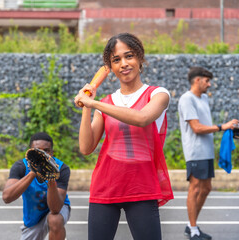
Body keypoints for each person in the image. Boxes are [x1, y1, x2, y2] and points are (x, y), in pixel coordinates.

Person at [74, 32, 173, 240]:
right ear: (110, 68)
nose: (124, 64)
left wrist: (94, 103)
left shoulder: (158, 94)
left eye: (129, 56)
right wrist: (87, 105)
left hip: (142, 186)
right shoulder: (105, 101)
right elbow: (85, 147)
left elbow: (141, 118)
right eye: (116, 60)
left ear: (140, 58)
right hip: (105, 185)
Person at [178, 67, 239, 240]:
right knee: (195, 188)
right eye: (207, 81)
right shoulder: (186, 99)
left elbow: (205, 124)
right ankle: (193, 229)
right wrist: (222, 126)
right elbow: (196, 128)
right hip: (195, 151)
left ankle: (191, 225)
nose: (209, 84)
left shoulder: (204, 98)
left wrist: (229, 131)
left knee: (206, 188)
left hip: (207, 151)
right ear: (197, 80)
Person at [2, 132, 71, 240]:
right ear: (30, 152)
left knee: (55, 219)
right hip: (33, 217)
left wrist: (51, 180)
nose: (42, 154)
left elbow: (55, 209)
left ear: (52, 153)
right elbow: (7, 197)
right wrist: (34, 172)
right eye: (38, 150)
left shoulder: (61, 168)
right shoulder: (21, 166)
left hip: (56, 207)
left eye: (46, 151)